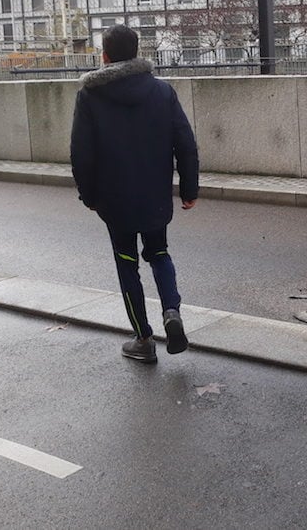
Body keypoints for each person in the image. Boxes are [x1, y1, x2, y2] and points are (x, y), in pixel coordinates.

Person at [70, 25, 199, 364]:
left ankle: (143, 339)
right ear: (137, 51)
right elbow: (184, 143)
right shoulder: (162, 92)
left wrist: (88, 195)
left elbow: (81, 152)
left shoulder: (90, 95)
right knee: (159, 253)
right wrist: (189, 189)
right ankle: (171, 312)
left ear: (106, 55)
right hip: (155, 194)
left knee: (127, 263)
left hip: (114, 200)